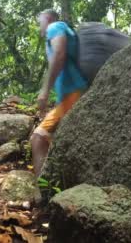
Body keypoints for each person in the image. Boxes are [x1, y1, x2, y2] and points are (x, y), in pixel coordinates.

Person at [30, 9, 88, 176]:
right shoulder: (63, 29)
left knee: (38, 137)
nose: (39, 27)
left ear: (47, 18)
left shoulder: (54, 27)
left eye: (39, 22)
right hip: (71, 96)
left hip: (74, 94)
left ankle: (41, 193)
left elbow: (59, 54)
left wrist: (45, 90)